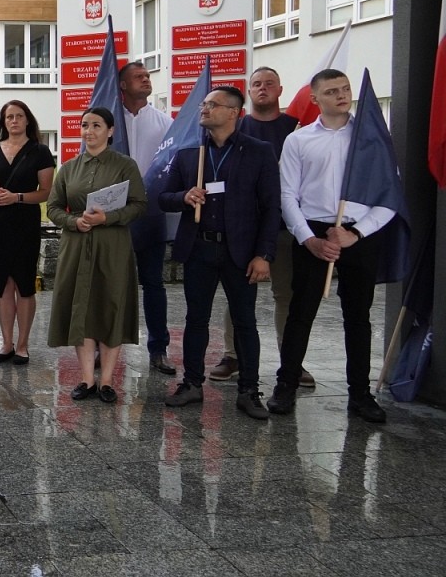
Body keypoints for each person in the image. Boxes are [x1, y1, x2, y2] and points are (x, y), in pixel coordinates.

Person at [268, 69, 393, 423]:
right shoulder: (299, 140)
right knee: (300, 312)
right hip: (313, 230)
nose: (342, 95)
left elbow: (388, 194)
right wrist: (307, 238)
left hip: (358, 233)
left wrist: (356, 234)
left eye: (346, 89)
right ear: (315, 98)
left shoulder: (371, 138)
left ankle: (360, 395)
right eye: (332, 90)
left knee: (358, 316)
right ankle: (286, 385)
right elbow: (288, 193)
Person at [157, 87, 279, 420]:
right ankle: (192, 383)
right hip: (199, 248)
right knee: (195, 320)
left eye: (213, 105)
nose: (205, 109)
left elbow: (271, 208)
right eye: (204, 104)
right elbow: (163, 197)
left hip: (240, 252)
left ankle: (249, 390)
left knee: (245, 323)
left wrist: (264, 255)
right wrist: (184, 196)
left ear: (234, 112)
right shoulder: (189, 155)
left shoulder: (259, 152)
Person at [211, 67, 309, 385]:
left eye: (269, 84)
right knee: (239, 293)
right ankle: (232, 356)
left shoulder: (296, 129)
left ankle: (291, 360)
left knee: (286, 295)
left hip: (285, 225)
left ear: (280, 89)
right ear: (248, 93)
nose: (262, 88)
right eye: (256, 84)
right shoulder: (238, 128)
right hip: (243, 228)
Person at [47, 107, 147, 403]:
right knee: (82, 307)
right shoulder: (69, 167)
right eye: (84, 125)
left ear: (110, 131)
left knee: (109, 304)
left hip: (112, 243)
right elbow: (53, 207)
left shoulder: (125, 165)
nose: (89, 131)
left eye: (96, 125)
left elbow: (140, 205)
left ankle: (107, 381)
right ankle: (87, 379)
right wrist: (72, 221)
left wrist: (109, 218)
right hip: (77, 243)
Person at [0, 100, 55, 365]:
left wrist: (17, 197)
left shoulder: (40, 151)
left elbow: (45, 191)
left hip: (25, 223)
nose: (14, 121)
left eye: (19, 116)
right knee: (3, 285)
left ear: (27, 120)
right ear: (3, 122)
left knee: (24, 284)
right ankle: (6, 341)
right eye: (9, 117)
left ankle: (23, 344)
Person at [119, 62, 176, 375]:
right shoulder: (109, 120)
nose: (146, 80)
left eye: (147, 76)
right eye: (139, 77)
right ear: (123, 86)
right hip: (115, 215)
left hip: (150, 213)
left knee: (154, 283)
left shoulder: (164, 122)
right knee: (112, 286)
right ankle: (105, 347)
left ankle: (159, 349)